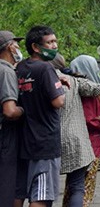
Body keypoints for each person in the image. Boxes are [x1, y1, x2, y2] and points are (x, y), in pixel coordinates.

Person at [52, 54, 100, 207]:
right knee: (81, 189)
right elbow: (91, 120)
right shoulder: (82, 88)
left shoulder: (72, 83)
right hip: (87, 145)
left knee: (70, 188)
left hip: (60, 139)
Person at [16, 26, 67, 207]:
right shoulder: (46, 68)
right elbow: (58, 101)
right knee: (41, 196)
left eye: (55, 41)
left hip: (23, 141)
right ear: (36, 47)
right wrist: (62, 88)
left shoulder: (20, 68)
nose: (54, 46)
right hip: (45, 143)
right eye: (50, 42)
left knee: (19, 192)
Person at [69, 55, 100, 207]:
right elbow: (92, 120)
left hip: (75, 144)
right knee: (84, 188)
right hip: (90, 146)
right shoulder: (89, 92)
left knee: (73, 187)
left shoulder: (73, 87)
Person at [0, 30, 25, 207]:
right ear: (10, 47)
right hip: (5, 135)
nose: (18, 48)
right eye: (16, 45)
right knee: (6, 185)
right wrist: (24, 110)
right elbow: (9, 111)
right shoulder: (6, 71)